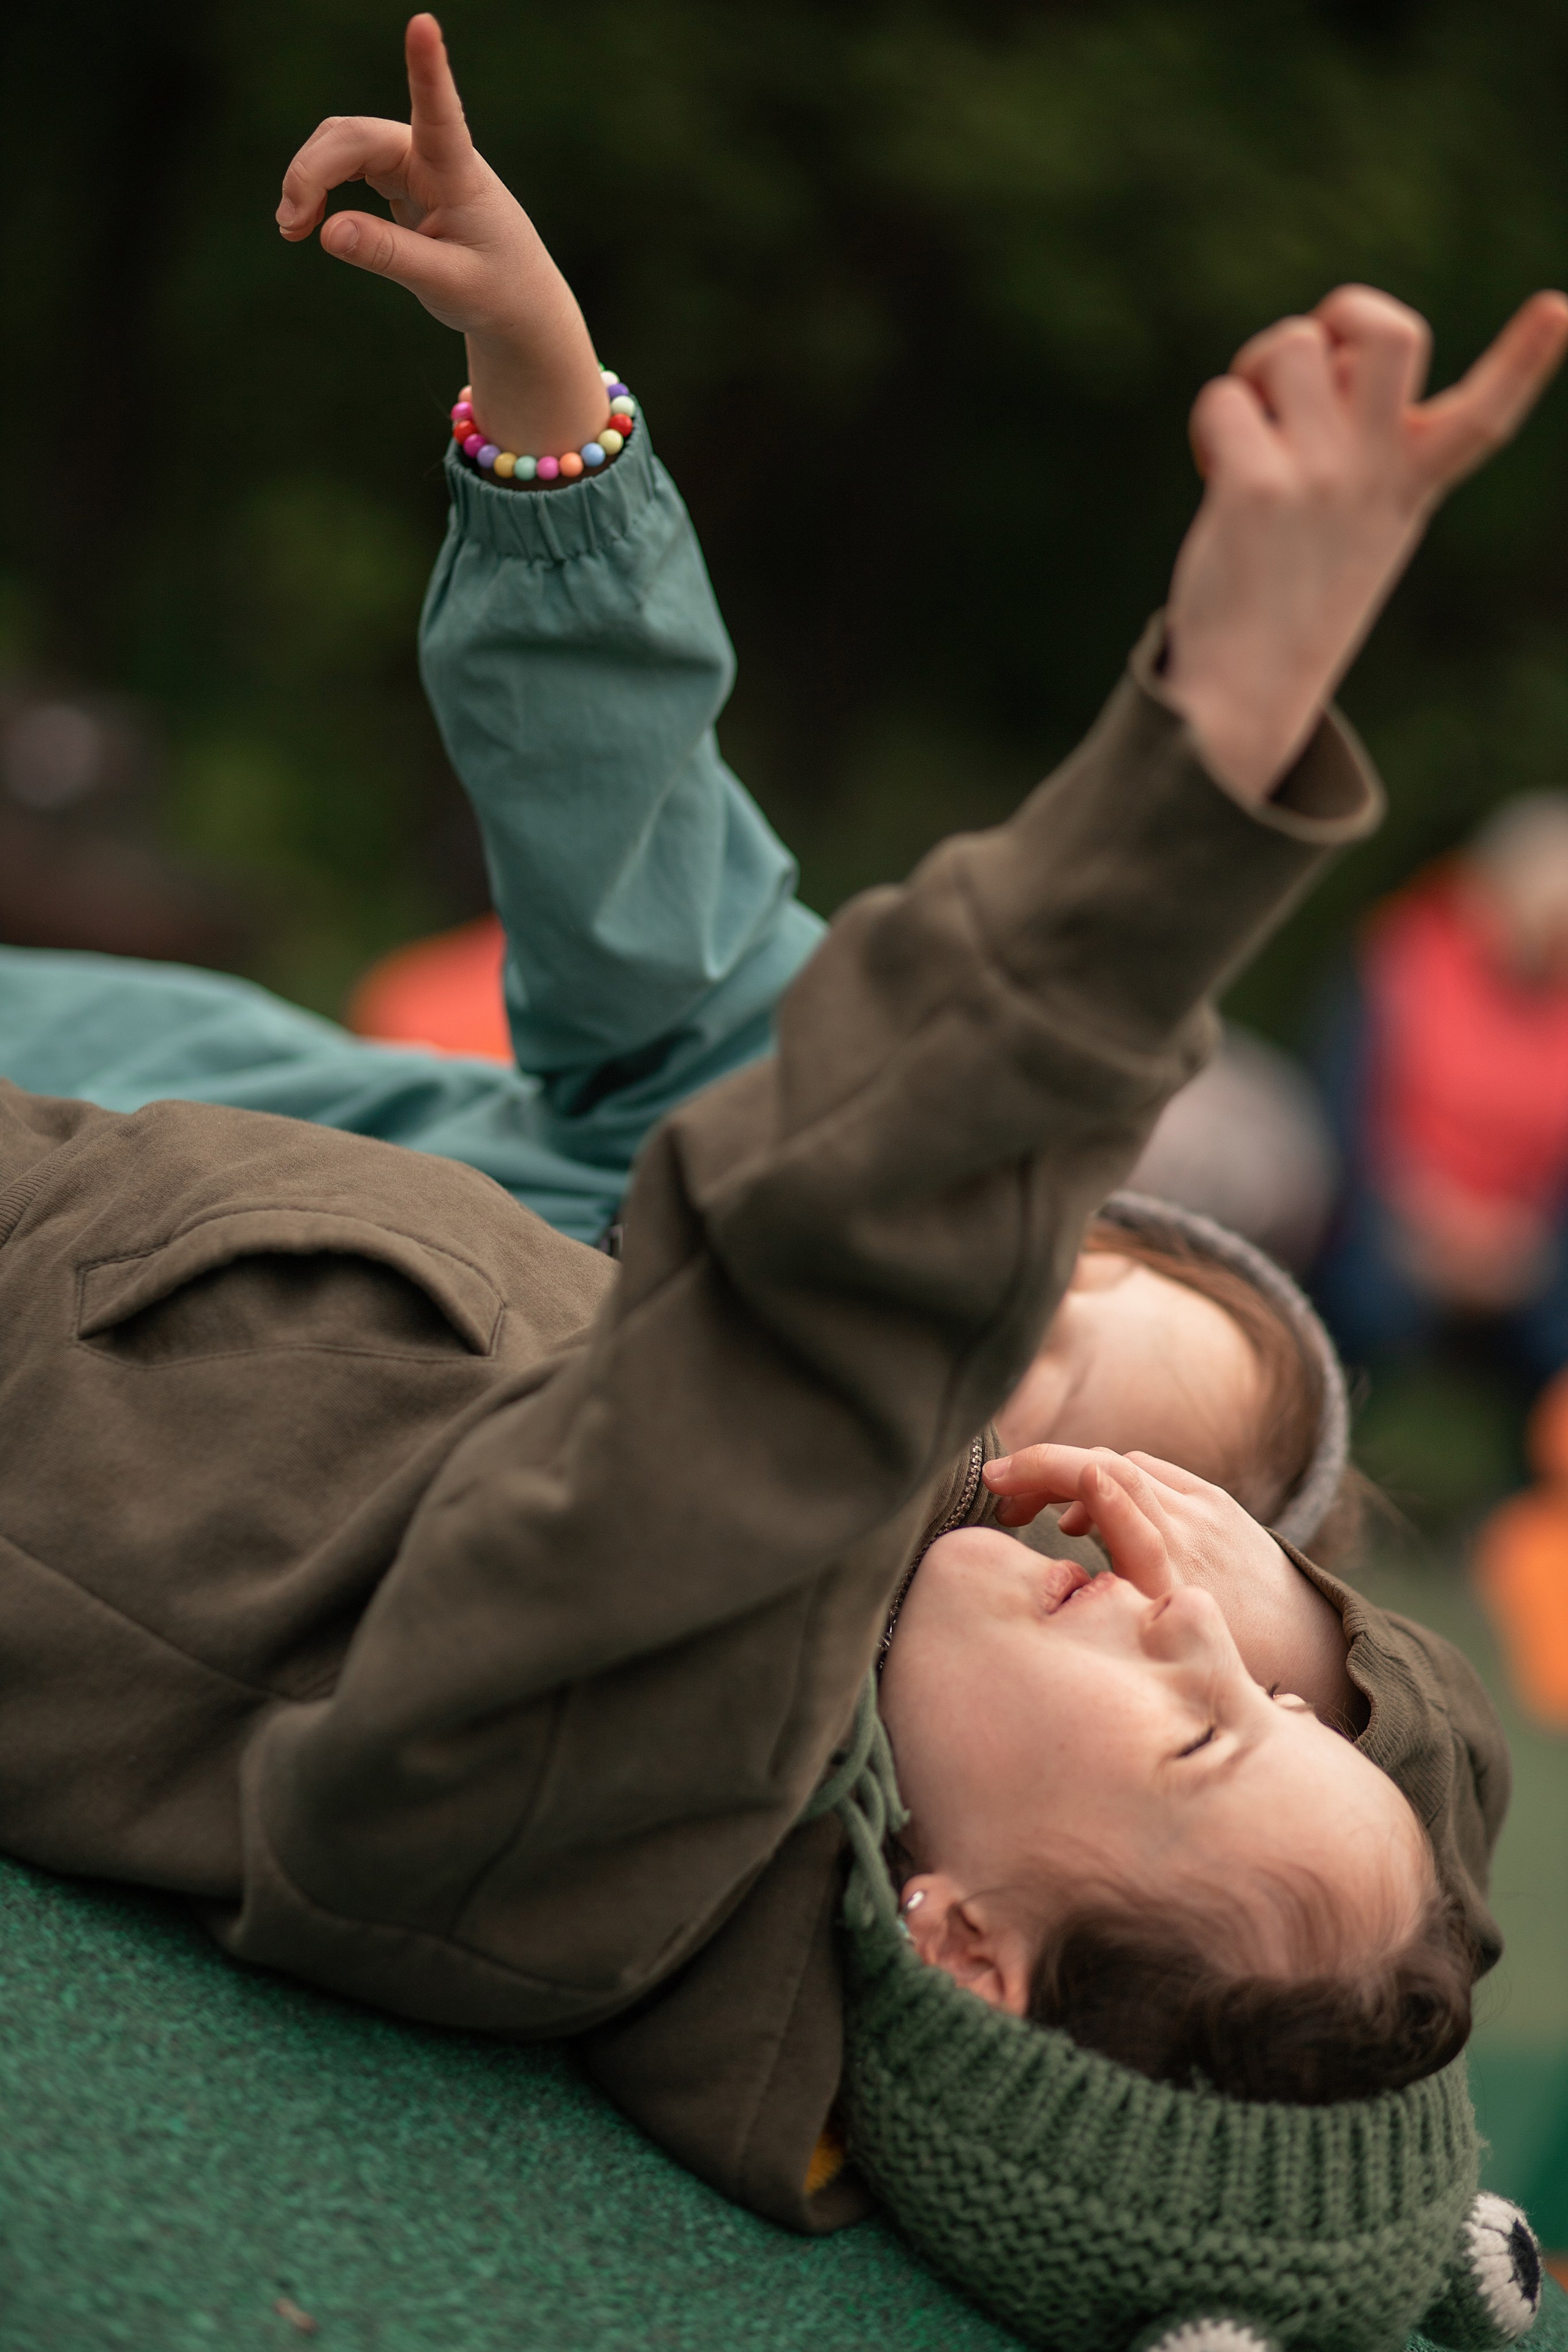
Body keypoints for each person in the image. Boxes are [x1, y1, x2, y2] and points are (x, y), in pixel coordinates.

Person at [2, 20, 1566, 2339]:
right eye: (1036, 1336)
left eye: (1025, 1408)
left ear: (956, 1942)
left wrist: (1206, 760)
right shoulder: (831, 1614)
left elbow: (826, 1320)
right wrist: (546, 391)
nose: (1092, 1527)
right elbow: (1352, 1830)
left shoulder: (612, 1803)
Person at [1317, 791, 1568, 1382]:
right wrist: (1423, 1218)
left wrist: (1519, 1237)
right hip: (1395, 1213)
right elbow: (1345, 1114)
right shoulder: (1401, 962)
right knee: (1363, 1288)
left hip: (1520, 1239)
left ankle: (1551, 1461)